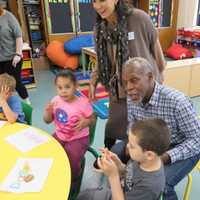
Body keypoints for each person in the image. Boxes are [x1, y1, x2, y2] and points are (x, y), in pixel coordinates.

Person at [114, 57, 200, 200]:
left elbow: (196, 141)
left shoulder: (178, 102)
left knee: (162, 184)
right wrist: (130, 141)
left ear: (150, 77)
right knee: (116, 152)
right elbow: (132, 123)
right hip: (149, 143)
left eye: (134, 80)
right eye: (125, 82)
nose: (128, 87)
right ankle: (129, 190)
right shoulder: (133, 96)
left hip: (182, 147)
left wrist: (165, 157)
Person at [89, 0, 165, 149]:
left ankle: (131, 157)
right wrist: (93, 81)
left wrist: (159, 81)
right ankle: (107, 153)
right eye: (94, 1)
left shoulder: (139, 18)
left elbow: (157, 53)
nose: (98, 6)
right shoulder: (100, 28)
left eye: (102, 0)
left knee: (140, 132)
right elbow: (101, 58)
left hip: (145, 88)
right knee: (113, 125)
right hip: (118, 88)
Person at [77, 118, 170, 200]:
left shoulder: (150, 187)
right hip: (120, 189)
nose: (127, 146)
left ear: (149, 155)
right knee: (85, 195)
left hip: (119, 195)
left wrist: (113, 176)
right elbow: (129, 173)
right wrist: (118, 164)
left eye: (132, 146)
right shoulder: (141, 158)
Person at [43, 70, 94, 194]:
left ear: (75, 86)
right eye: (60, 87)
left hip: (78, 138)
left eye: (67, 87)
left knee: (72, 158)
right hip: (60, 135)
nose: (63, 91)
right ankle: (55, 173)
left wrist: (85, 122)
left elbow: (92, 119)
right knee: (49, 150)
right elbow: (47, 121)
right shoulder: (56, 100)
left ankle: (73, 179)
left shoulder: (83, 102)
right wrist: (47, 112)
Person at [0, 4, 30, 104]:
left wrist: (18, 54)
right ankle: (5, 106)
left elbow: (18, 36)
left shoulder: (8, 17)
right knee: (2, 85)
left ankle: (27, 102)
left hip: (12, 58)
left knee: (16, 83)